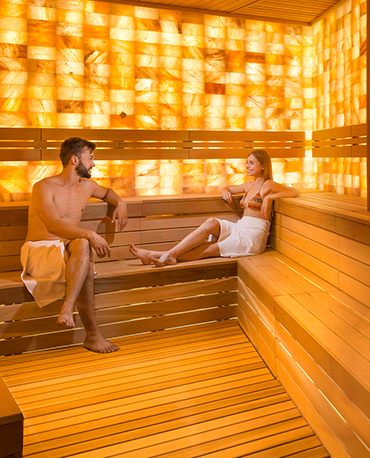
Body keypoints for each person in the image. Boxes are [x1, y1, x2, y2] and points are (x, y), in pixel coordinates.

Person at [22, 137, 128, 353]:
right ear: (74, 160)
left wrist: (121, 202)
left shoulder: (88, 186)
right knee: (85, 258)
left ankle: (68, 309)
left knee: (82, 247)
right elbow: (53, 225)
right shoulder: (43, 187)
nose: (94, 164)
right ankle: (92, 335)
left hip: (68, 250)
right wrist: (90, 234)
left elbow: (107, 193)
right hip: (39, 250)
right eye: (91, 158)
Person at [128, 149, 298, 266]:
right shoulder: (248, 185)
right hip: (241, 227)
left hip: (252, 236)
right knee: (211, 222)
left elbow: (294, 191)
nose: (247, 166)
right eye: (247, 162)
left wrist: (269, 198)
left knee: (208, 249)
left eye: (251, 163)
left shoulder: (268, 185)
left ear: (263, 166)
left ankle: (156, 255)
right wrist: (224, 191)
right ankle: (165, 255)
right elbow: (227, 187)